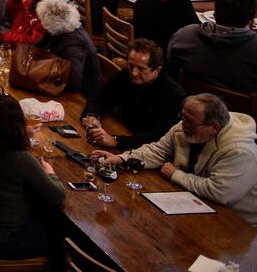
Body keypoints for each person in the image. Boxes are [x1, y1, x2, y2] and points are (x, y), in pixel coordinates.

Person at [97, 93, 257, 226]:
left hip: (235, 225)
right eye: (182, 117)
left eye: (189, 121)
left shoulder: (239, 151)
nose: (182, 125)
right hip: (194, 206)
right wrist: (122, 158)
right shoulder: (188, 125)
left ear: (214, 128)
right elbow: (157, 151)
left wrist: (176, 174)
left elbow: (219, 192)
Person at [0, 95, 67, 260]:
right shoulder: (18, 157)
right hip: (5, 239)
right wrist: (51, 173)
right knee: (61, 234)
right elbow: (58, 196)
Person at [80, 39, 187, 151]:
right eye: (131, 66)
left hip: (149, 151)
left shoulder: (174, 96)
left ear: (157, 70)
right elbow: (100, 97)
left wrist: (116, 140)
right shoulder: (126, 76)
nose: (134, 73)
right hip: (123, 134)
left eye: (141, 68)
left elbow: (159, 137)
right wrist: (91, 115)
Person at [166, 0, 257, 91]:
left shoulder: (184, 36)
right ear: (251, 21)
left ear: (214, 15)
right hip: (241, 107)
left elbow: (170, 68)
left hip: (191, 100)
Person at [35, 0, 101, 98]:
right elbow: (35, 49)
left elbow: (74, 84)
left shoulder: (73, 47)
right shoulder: (62, 28)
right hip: (62, 86)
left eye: (42, 20)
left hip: (81, 97)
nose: (41, 22)